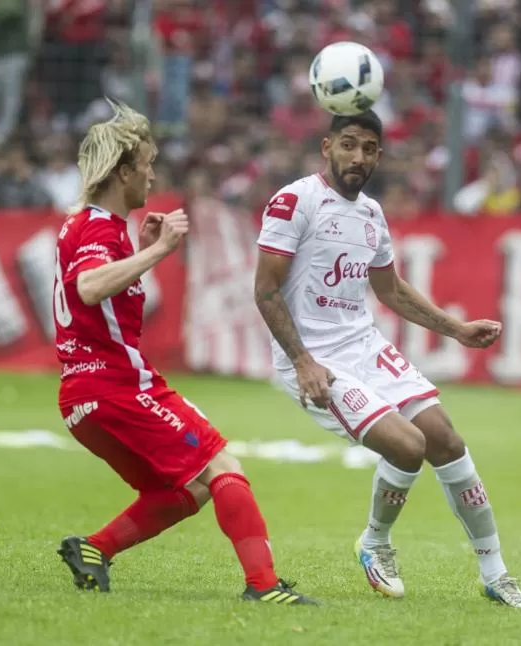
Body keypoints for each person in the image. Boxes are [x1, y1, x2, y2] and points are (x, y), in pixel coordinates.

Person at [253, 110, 521, 610]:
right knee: (408, 446)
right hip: (316, 359)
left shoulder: (371, 215)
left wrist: (457, 329)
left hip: (364, 346)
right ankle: (375, 542)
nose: (357, 157)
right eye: (348, 145)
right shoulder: (295, 201)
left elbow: (390, 289)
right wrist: (302, 362)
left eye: (367, 148)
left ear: (379, 156)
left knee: (446, 440)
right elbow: (266, 289)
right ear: (326, 147)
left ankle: (496, 572)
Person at [53, 100, 317, 605]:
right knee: (222, 464)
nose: (152, 177)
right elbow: (88, 287)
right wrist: (156, 251)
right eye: (147, 165)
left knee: (184, 491)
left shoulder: (81, 226)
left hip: (82, 399)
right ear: (123, 170)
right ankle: (264, 587)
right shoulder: (100, 228)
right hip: (117, 387)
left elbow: (95, 301)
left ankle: (94, 549)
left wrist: (138, 254)